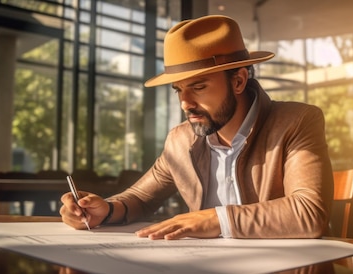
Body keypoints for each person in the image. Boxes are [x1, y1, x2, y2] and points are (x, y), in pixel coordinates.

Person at [60, 14, 334, 240]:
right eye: (178, 90)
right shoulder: (180, 140)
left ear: (238, 81)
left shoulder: (297, 121)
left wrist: (217, 218)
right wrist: (105, 210)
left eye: (199, 87)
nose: (185, 103)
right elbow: (141, 198)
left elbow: (308, 212)